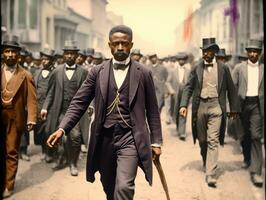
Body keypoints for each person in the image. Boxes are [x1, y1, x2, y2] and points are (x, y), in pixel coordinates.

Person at [47, 25, 162, 200]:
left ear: (131, 45)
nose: (121, 47)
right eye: (116, 44)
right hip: (104, 137)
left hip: (130, 138)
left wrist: (156, 141)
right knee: (108, 185)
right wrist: (62, 128)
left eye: (125, 43)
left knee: (124, 186)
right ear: (110, 45)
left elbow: (153, 110)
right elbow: (79, 102)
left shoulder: (144, 73)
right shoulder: (97, 72)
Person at [179, 37, 240, 187]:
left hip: (216, 106)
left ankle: (210, 173)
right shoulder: (196, 67)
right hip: (200, 107)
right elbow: (188, 87)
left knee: (213, 139)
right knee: (203, 140)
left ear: (215, 52)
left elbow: (231, 90)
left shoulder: (223, 68)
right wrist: (184, 105)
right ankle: (206, 159)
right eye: (205, 51)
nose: (207, 54)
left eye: (210, 51)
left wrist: (234, 109)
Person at [43, 40, 89, 176]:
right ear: (63, 55)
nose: (69, 56)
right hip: (60, 110)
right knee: (59, 136)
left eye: (72, 54)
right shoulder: (56, 72)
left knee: (75, 137)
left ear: (76, 56)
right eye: (67, 54)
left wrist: (90, 107)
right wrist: (45, 108)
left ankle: (73, 163)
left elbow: (89, 92)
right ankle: (60, 159)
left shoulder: (83, 72)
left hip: (76, 113)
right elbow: (50, 92)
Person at [1, 35, 37, 198]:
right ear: (3, 53)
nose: (10, 55)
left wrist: (31, 118)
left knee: (11, 151)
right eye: (7, 51)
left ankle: (9, 185)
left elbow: (31, 99)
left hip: (15, 118)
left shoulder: (26, 75)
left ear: (18, 54)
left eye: (13, 52)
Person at [232, 39, 264, 187]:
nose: (253, 54)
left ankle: (256, 172)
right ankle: (247, 158)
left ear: (260, 53)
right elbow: (233, 88)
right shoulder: (239, 68)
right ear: (247, 52)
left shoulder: (263, 68)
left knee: (256, 136)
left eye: (256, 51)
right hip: (242, 105)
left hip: (257, 105)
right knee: (244, 135)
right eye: (250, 51)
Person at [33, 48, 56, 163]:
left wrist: (46, 107)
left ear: (52, 61)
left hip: (50, 107)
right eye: (43, 59)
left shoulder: (55, 73)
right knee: (40, 130)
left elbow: (53, 92)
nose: (44, 61)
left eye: (47, 59)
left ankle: (49, 152)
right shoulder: (37, 72)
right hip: (38, 105)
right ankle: (43, 150)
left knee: (49, 130)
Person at [166, 52, 191, 140]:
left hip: (185, 94)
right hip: (175, 94)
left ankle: (182, 132)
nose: (181, 61)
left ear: (185, 60)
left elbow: (191, 83)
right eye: (179, 59)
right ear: (177, 60)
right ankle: (178, 126)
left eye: (183, 59)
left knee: (183, 110)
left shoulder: (188, 71)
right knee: (176, 111)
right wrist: (171, 90)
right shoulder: (173, 71)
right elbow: (168, 82)